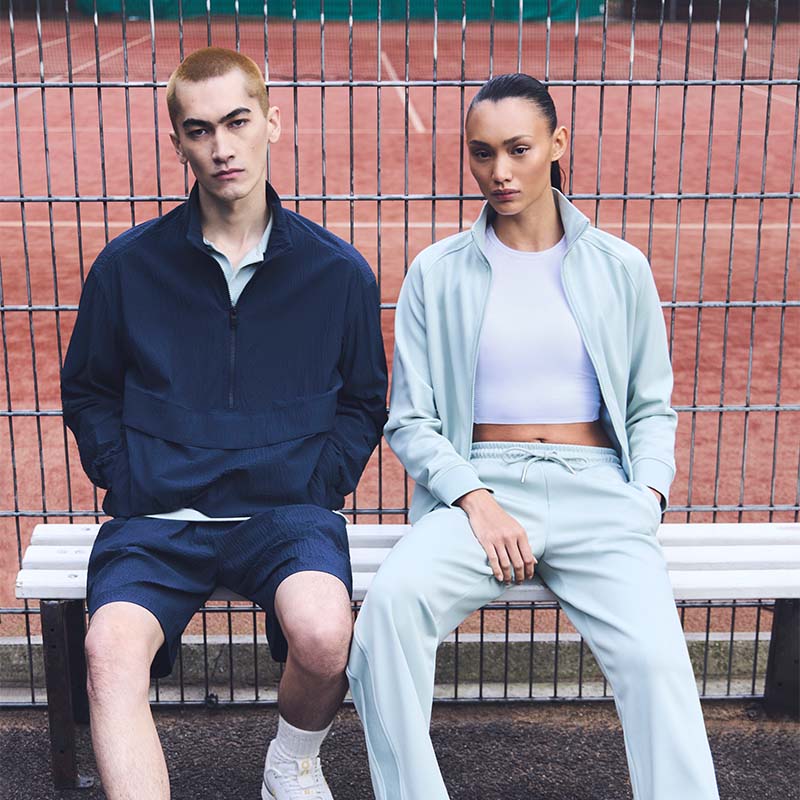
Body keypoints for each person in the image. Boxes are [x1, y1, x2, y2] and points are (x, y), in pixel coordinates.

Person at [347, 73, 719, 799]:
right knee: (388, 615)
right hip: (481, 488)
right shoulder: (436, 273)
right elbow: (411, 419)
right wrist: (475, 501)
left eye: (519, 149)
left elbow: (651, 406)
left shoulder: (621, 268)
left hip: (598, 489)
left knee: (658, 663)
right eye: (482, 153)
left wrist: (643, 497)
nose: (501, 171)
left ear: (557, 144)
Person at [61, 47, 387, 800]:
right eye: (200, 129)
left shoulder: (337, 272)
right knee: (109, 654)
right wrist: (130, 473)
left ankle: (292, 761)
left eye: (237, 122)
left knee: (324, 632)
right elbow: (88, 390)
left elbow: (364, 401)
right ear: (178, 143)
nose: (221, 146)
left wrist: (318, 480)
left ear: (271, 122)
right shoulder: (127, 268)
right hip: (157, 516)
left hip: (285, 513)